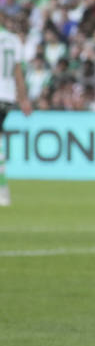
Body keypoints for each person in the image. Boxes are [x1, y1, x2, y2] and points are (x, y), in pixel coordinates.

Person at [0, 14, 33, 206]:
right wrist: (24, 99)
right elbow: (18, 73)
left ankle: (3, 190)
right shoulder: (13, 40)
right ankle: (3, 191)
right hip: (7, 97)